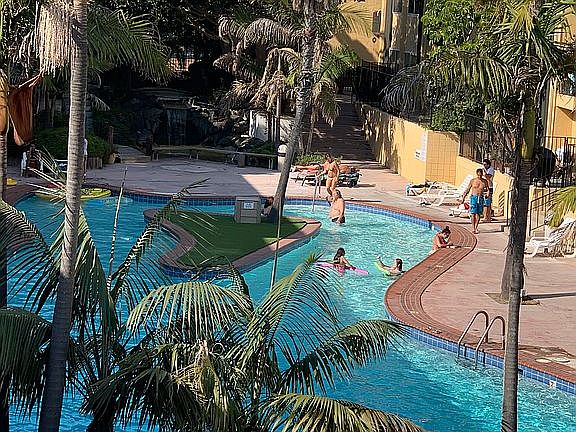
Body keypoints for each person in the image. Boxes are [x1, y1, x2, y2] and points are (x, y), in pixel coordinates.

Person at [461, 168, 488, 234]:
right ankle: (473, 228)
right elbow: (468, 189)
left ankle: (476, 227)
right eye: (478, 175)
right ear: (476, 174)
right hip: (474, 197)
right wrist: (463, 197)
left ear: (482, 174)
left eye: (481, 175)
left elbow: (488, 189)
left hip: (480, 198)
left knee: (478, 213)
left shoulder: (485, 181)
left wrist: (487, 194)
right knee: (473, 213)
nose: (479, 177)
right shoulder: (473, 181)